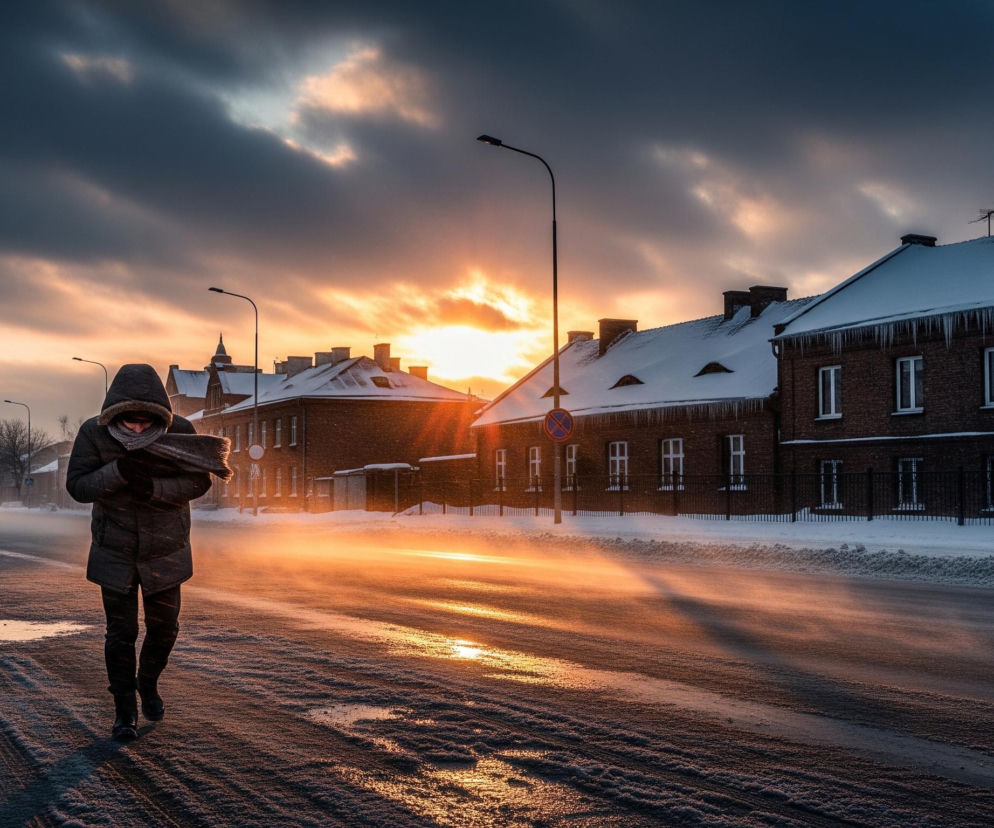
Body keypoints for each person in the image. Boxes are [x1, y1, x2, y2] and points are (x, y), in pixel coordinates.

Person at [67, 364, 231, 741]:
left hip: (165, 550)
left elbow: (199, 480)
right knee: (120, 634)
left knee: (164, 628)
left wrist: (154, 488)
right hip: (114, 550)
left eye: (146, 422)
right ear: (115, 413)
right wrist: (121, 470)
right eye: (130, 421)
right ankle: (124, 712)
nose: (138, 429)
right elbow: (77, 485)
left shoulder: (181, 431)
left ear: (160, 413)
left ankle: (148, 683)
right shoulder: (94, 433)